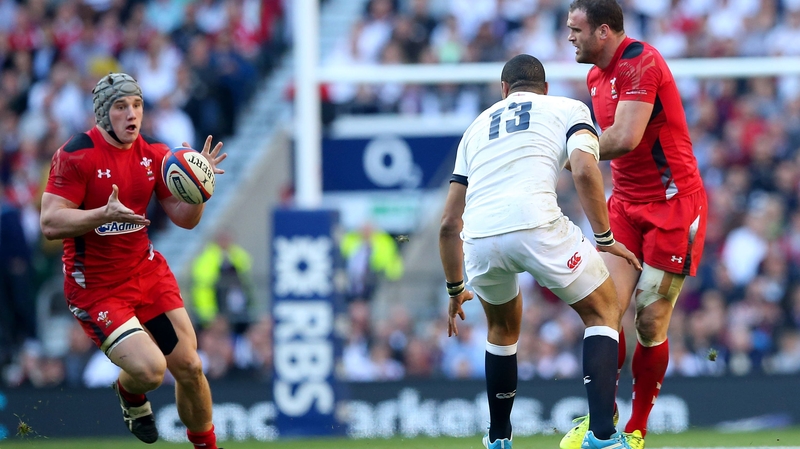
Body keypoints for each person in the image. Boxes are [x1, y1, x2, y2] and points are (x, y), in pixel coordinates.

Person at [439, 54, 642, 449]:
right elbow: (584, 170)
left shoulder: (476, 127)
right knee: (603, 308)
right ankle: (602, 435)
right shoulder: (567, 107)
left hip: (479, 237)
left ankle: (498, 438)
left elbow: (449, 222)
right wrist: (603, 238)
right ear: (544, 88)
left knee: (501, 330)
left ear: (503, 91)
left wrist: (454, 288)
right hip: (535, 223)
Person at [40, 73, 227, 449]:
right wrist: (100, 215)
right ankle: (130, 392)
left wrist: (197, 187)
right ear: (103, 114)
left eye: (137, 105)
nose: (132, 115)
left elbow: (185, 220)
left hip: (146, 273)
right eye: (121, 107)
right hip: (97, 289)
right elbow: (49, 222)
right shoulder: (76, 153)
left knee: (190, 366)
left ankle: (207, 447)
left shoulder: (156, 154)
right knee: (152, 370)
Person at [562, 2, 708, 448]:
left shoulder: (641, 62)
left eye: (576, 29)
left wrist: (570, 153)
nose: (569, 37)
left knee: (649, 322)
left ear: (603, 31)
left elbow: (623, 139)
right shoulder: (594, 76)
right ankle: (601, 421)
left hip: (672, 207)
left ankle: (637, 427)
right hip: (624, 206)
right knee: (603, 309)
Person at [192, 230, 255, 334]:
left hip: (237, 310)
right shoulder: (207, 259)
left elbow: (246, 268)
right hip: (215, 311)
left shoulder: (235, 255)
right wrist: (209, 315)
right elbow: (203, 289)